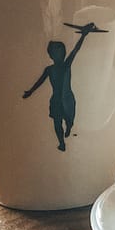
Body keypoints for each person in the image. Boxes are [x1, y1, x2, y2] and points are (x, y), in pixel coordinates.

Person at [22, 21, 106, 151]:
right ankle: (62, 143)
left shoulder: (66, 65)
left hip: (67, 99)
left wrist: (84, 35)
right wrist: (30, 92)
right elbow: (40, 81)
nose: (59, 55)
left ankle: (69, 127)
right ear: (51, 55)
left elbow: (76, 50)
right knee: (57, 123)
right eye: (56, 53)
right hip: (56, 100)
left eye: (61, 52)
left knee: (69, 119)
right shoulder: (49, 69)